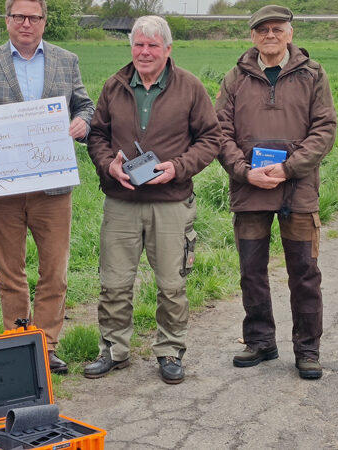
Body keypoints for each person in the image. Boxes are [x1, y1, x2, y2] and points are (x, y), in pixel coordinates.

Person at [85, 15, 221, 384]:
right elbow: (96, 135)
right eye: (138, 45)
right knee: (113, 282)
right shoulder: (114, 86)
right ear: (131, 47)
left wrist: (179, 167)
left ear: (167, 50)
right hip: (121, 202)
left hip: (171, 203)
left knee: (172, 284)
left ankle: (170, 350)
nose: (144, 52)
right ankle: (113, 349)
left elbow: (211, 139)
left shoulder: (190, 87)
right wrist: (107, 165)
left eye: (152, 45)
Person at [0, 0, 94, 374]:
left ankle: (47, 345)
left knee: (54, 270)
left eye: (34, 17)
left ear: (44, 21)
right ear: (7, 20)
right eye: (19, 16)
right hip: (2, 189)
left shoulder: (65, 60)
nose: (26, 23)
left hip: (52, 188)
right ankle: (18, 341)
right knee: (10, 272)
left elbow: (85, 106)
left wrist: (81, 124)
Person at [215, 5, 336, 380]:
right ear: (253, 36)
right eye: (262, 29)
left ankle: (307, 350)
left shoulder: (313, 75)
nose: (270, 34)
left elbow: (325, 130)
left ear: (289, 32)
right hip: (249, 190)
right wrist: (243, 171)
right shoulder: (235, 78)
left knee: (304, 272)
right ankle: (261, 340)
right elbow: (220, 132)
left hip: (297, 192)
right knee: (251, 270)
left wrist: (288, 168)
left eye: (277, 28)